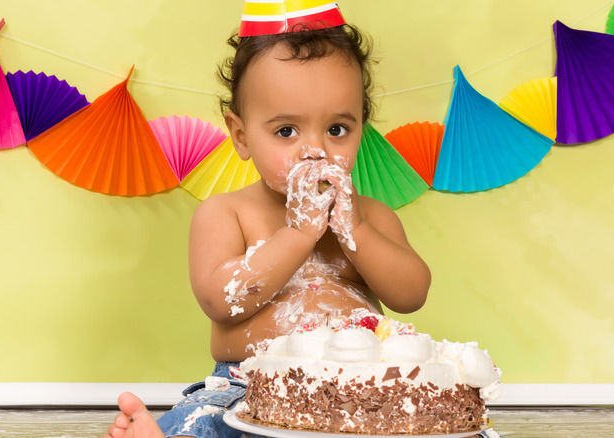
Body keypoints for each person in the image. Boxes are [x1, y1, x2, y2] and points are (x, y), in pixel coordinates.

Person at [103, 3, 431, 438]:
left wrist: (355, 231)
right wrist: (298, 234)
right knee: (206, 422)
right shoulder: (227, 213)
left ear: (361, 131)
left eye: (337, 129)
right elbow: (221, 300)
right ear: (241, 136)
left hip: (360, 386)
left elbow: (411, 294)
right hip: (248, 383)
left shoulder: (370, 215)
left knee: (426, 421)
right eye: (286, 131)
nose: (314, 150)